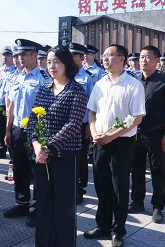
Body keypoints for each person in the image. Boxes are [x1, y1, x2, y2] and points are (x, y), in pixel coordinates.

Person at [84, 44, 146, 247]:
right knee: (101, 186)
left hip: (121, 143)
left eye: (109, 55)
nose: (104, 59)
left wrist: (112, 135)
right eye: (103, 56)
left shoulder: (133, 85)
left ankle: (118, 230)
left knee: (119, 188)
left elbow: (137, 118)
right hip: (99, 141)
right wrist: (94, 133)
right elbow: (92, 112)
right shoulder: (100, 84)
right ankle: (102, 225)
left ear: (122, 58)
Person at [26, 45, 87, 247]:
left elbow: (73, 124)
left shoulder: (76, 90)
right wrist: (36, 145)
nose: (52, 66)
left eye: (57, 62)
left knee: (64, 206)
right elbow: (33, 120)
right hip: (41, 156)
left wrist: (48, 147)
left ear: (67, 64)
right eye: (49, 61)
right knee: (43, 202)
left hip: (65, 155)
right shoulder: (44, 88)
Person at [3, 39, 49, 228]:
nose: (20, 58)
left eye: (24, 54)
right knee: (19, 168)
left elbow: (47, 109)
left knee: (36, 171)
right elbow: (11, 105)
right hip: (16, 130)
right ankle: (21, 203)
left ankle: (38, 210)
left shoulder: (43, 80)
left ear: (34, 55)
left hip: (34, 132)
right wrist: (7, 130)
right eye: (18, 55)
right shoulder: (17, 77)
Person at [129, 45, 165, 223]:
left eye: (147, 57)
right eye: (141, 57)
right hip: (136, 133)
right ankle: (137, 201)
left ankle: (158, 205)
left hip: (156, 134)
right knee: (136, 167)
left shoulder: (162, 82)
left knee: (158, 170)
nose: (143, 60)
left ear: (157, 60)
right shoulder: (134, 81)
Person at [66, 42, 94, 205]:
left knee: (81, 157)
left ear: (82, 58)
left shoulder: (87, 78)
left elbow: (92, 104)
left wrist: (90, 126)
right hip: (64, 123)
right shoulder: (65, 75)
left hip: (81, 125)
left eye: (74, 55)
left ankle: (79, 188)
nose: (71, 58)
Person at [0, 46, 14, 160]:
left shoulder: (15, 71)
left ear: (12, 57)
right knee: (1, 128)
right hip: (1, 103)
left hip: (10, 105)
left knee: (9, 129)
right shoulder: (1, 70)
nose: (5, 58)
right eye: (3, 55)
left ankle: (11, 151)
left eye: (7, 55)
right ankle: (1, 150)